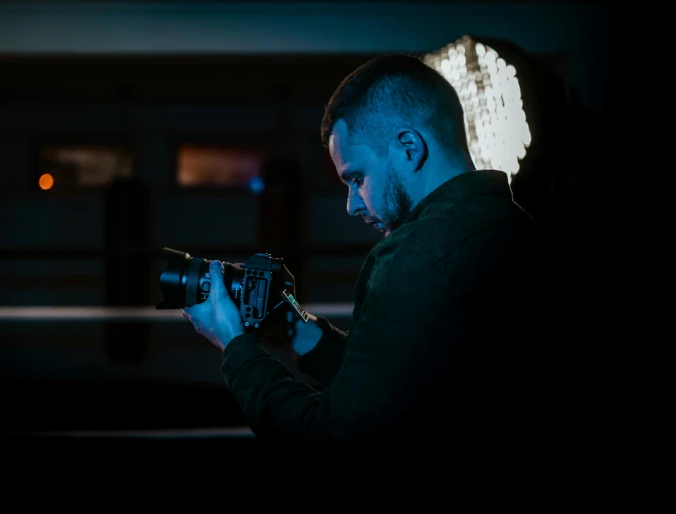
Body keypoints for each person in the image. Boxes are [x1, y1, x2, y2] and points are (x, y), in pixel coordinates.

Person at [182, 53, 565, 449]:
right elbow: (393, 385)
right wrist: (292, 325)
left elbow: (337, 439)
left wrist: (236, 345)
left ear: (408, 148)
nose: (353, 204)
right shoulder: (515, 225)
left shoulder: (412, 254)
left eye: (357, 177)